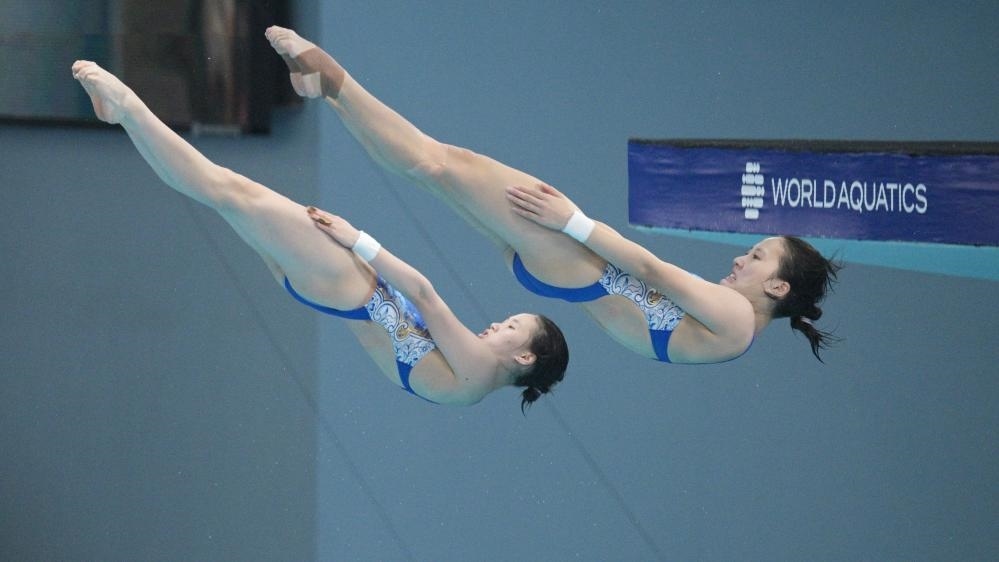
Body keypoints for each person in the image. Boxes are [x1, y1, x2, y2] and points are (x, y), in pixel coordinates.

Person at [264, 26, 842, 364]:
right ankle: (329, 93)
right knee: (431, 172)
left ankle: (334, 78)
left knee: (438, 161)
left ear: (777, 286)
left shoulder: (738, 318)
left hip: (574, 259)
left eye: (758, 256)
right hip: (562, 275)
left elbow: (651, 269)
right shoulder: (734, 337)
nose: (741, 258)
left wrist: (573, 221)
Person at [71, 60, 568, 409]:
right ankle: (125, 118)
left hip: (347, 285)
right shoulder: (466, 390)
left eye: (510, 327)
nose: (495, 324)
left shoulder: (479, 371)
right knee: (221, 195)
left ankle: (128, 105)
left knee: (227, 190)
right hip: (328, 292)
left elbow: (423, 293)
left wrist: (357, 240)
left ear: (525, 357)